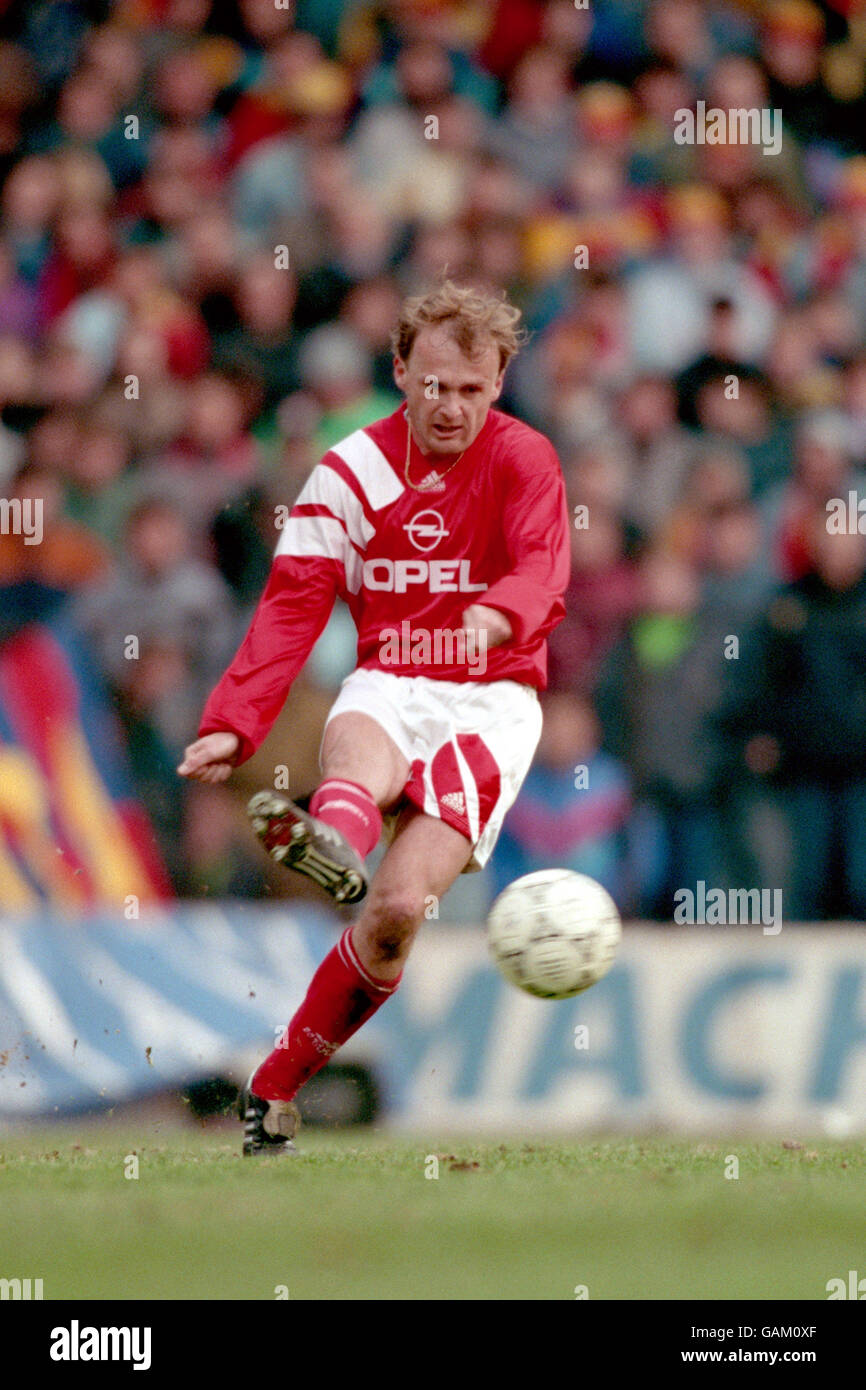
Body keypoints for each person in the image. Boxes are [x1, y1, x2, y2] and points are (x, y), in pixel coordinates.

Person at [177, 281, 570, 1155]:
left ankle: (276, 1084)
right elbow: (290, 608)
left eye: (471, 390)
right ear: (400, 371)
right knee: (359, 758)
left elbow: (545, 567)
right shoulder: (348, 472)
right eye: (435, 385)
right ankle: (339, 839)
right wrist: (234, 723)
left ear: (498, 383)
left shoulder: (525, 460)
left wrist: (502, 613)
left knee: (396, 913)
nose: (451, 407)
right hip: (391, 675)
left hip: (492, 700)